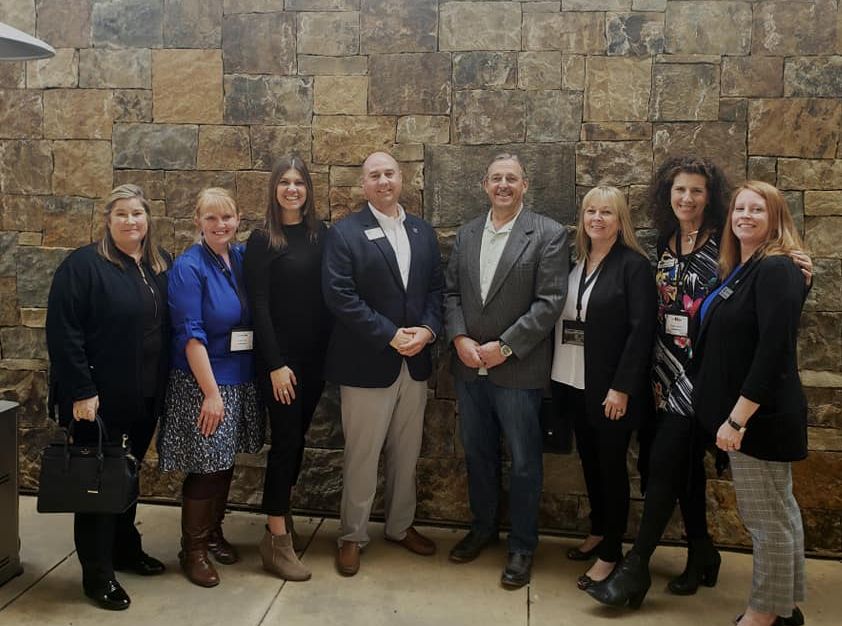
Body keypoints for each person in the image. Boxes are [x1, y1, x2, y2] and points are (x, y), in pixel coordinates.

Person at [586, 159, 812, 611]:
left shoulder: (729, 245)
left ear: (712, 198)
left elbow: (763, 311)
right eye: (679, 190)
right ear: (667, 195)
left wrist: (803, 279)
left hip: (703, 372)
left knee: (669, 460)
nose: (687, 199)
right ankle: (702, 553)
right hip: (660, 370)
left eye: (697, 191)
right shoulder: (665, 243)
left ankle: (637, 568)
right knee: (676, 466)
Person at [444, 153, 568, 588]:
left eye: (510, 179)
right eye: (496, 179)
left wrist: (507, 346)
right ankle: (482, 529)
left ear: (524, 185)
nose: (503, 185)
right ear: (484, 185)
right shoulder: (467, 233)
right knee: (476, 454)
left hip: (518, 371)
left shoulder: (547, 234)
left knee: (523, 462)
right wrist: (459, 338)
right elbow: (452, 292)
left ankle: (522, 545)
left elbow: (550, 301)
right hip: (468, 367)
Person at [46, 184, 170, 611]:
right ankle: (97, 575)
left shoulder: (157, 264)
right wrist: (81, 391)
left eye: (137, 213)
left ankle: (126, 550)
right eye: (122, 214)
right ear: (107, 219)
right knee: (96, 488)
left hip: (144, 397)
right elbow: (64, 335)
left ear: (147, 218)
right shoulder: (82, 267)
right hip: (98, 402)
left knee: (128, 480)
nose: (131, 221)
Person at [692, 181, 809, 626]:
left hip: (758, 419)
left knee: (767, 521)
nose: (745, 215)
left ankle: (763, 615)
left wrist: (737, 420)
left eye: (757, 209)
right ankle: (785, 606)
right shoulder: (745, 268)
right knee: (780, 514)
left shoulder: (776, 267)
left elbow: (773, 350)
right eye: (739, 208)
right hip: (749, 415)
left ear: (775, 217)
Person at [322, 151, 443, 577]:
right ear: (364, 184)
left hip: (415, 363)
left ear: (402, 177)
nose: (383, 181)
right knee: (363, 454)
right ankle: (353, 535)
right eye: (374, 175)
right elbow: (340, 297)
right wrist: (390, 334)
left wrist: (427, 331)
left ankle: (399, 526)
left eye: (390, 173)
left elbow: (435, 290)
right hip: (367, 364)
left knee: (406, 453)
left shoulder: (422, 231)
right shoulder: (345, 233)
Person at [551, 186, 657, 595]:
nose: (597, 219)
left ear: (620, 220)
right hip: (574, 381)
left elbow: (641, 331)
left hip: (611, 390)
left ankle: (612, 551)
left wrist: (622, 388)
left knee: (612, 469)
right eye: (591, 211)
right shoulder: (576, 263)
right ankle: (598, 530)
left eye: (607, 213)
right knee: (591, 463)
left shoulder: (633, 266)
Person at [157, 188, 264, 588]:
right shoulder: (189, 267)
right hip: (204, 382)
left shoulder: (238, 258)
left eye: (228, 218)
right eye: (212, 219)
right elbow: (191, 334)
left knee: (223, 462)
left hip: (240, 377)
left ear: (239, 220)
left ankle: (214, 532)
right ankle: (194, 549)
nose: (221, 226)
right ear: (197, 222)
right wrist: (211, 393)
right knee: (205, 467)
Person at [244, 156, 331, 581]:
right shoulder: (262, 239)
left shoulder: (320, 235)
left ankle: (283, 515)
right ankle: (275, 540)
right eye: (285, 182)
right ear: (274, 189)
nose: (292, 189)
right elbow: (257, 304)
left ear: (308, 189)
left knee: (297, 442)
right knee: (284, 443)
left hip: (314, 363)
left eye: (299, 182)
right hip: (280, 363)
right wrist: (275, 364)